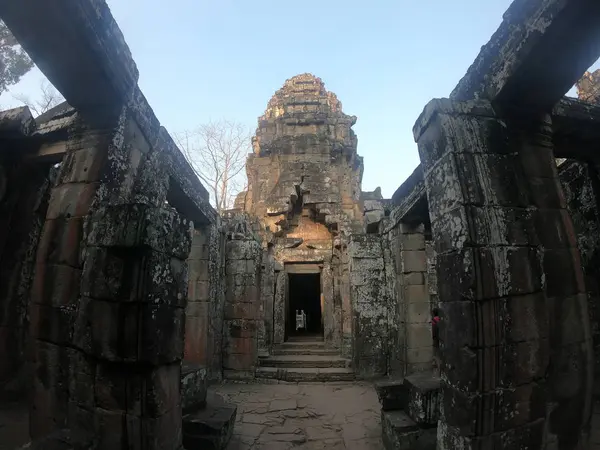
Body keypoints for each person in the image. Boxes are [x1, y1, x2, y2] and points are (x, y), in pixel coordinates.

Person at [431, 308, 441, 376]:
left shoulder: (434, 320)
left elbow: (434, 330)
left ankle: (439, 370)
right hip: (441, 338)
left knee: (436, 355)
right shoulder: (440, 319)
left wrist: (433, 337)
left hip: (436, 339)